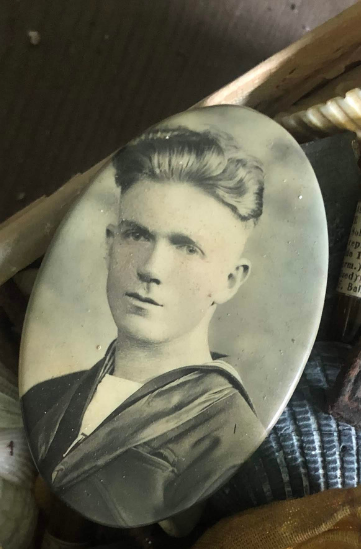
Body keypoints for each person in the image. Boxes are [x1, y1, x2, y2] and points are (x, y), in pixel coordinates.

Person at [23, 125, 267, 528]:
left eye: (188, 247)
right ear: (109, 243)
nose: (151, 268)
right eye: (137, 235)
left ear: (230, 280)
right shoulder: (49, 395)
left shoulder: (228, 440)